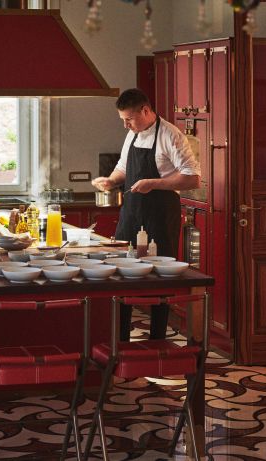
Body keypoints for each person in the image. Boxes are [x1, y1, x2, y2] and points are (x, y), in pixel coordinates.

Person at [92, 88, 201, 341]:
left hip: (161, 215)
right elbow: (123, 167)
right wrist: (111, 181)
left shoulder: (170, 135)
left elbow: (192, 178)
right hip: (131, 214)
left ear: (145, 110)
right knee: (121, 273)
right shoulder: (133, 134)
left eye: (129, 119)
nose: (125, 125)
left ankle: (158, 340)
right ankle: (121, 340)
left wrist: (153, 183)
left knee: (159, 278)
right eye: (122, 119)